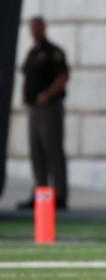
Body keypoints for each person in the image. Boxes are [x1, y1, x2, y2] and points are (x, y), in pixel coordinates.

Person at [17, 16, 70, 211]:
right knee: (36, 151)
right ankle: (41, 193)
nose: (34, 31)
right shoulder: (32, 52)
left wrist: (47, 94)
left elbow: (63, 75)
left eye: (36, 27)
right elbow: (26, 75)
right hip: (34, 109)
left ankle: (60, 195)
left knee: (53, 150)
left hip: (49, 108)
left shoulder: (53, 52)